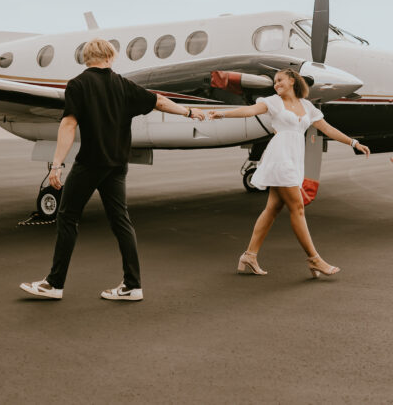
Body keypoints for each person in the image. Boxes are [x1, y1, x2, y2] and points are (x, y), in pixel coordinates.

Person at [21, 38, 205, 301]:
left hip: (90, 163)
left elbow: (68, 126)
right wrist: (188, 112)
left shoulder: (78, 85)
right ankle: (133, 285)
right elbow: (159, 101)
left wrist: (57, 165)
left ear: (86, 57)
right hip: (117, 165)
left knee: (68, 218)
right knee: (121, 221)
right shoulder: (123, 85)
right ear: (110, 56)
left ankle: (54, 284)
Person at [207, 68, 370, 278]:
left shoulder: (307, 106)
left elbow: (327, 128)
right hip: (279, 157)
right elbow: (250, 111)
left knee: (273, 208)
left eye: (280, 80)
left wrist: (353, 142)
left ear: (292, 81)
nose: (276, 84)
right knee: (297, 207)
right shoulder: (273, 101)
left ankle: (249, 255)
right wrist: (222, 113)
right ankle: (314, 259)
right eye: (274, 82)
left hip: (294, 159)